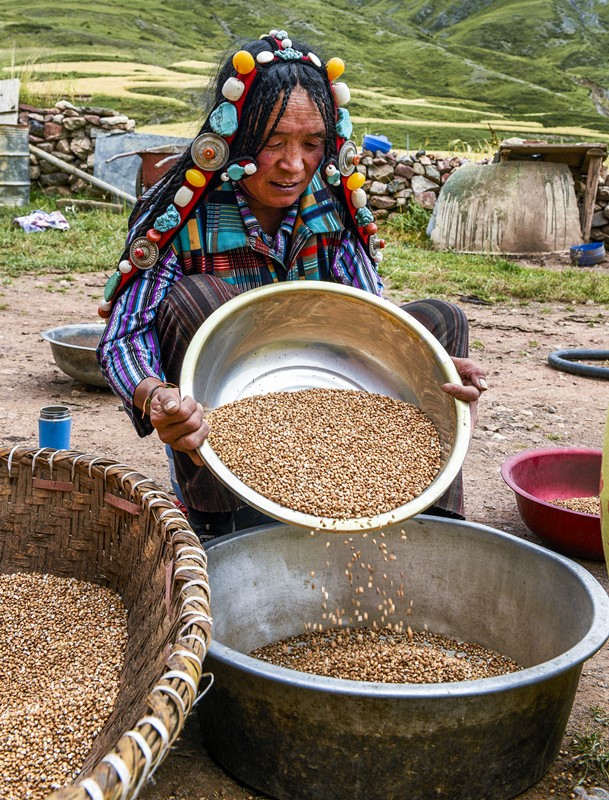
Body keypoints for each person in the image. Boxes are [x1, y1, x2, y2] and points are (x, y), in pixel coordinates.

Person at [97, 30, 488, 542]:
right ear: (234, 136)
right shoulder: (181, 214)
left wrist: (427, 364)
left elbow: (372, 317)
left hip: (327, 403)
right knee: (199, 299)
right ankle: (218, 518)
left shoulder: (332, 207)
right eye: (273, 142)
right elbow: (124, 337)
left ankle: (427, 519)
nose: (294, 164)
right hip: (222, 417)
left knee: (441, 322)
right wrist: (155, 395)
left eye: (311, 144)